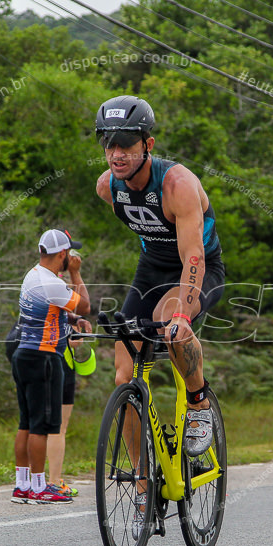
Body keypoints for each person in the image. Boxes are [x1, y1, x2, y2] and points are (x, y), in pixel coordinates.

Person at [94, 95, 226, 457]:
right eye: (108, 143)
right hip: (151, 270)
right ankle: (142, 483)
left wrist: (183, 315)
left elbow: (193, 254)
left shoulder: (177, 184)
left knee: (170, 324)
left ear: (147, 144)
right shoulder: (108, 187)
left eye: (125, 145)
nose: (116, 154)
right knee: (124, 375)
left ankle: (199, 404)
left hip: (199, 267)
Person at [11, 229, 91, 504]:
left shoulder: (33, 275)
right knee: (42, 427)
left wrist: (70, 320)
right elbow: (86, 306)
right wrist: (76, 274)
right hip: (44, 358)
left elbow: (50, 310)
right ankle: (38, 487)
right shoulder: (54, 283)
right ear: (62, 254)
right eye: (68, 254)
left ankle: (22, 485)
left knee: (26, 423)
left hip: (24, 355)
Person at [46, 322, 97, 499]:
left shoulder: (32, 298)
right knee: (59, 427)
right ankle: (54, 482)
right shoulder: (66, 303)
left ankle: (30, 482)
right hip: (61, 362)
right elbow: (75, 342)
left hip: (32, 356)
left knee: (32, 424)